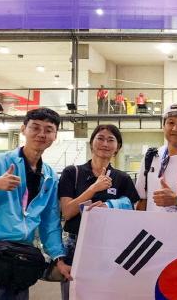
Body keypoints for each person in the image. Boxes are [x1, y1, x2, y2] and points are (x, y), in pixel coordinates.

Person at [0, 108, 71, 300]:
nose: (42, 134)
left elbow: (49, 222)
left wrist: (58, 257)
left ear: (55, 136)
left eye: (48, 129)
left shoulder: (49, 176)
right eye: (35, 127)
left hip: (20, 258)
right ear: (23, 129)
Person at [58, 124, 139, 299]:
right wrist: (93, 188)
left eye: (111, 140)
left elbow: (132, 213)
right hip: (75, 244)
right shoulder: (72, 172)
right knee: (73, 293)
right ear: (91, 143)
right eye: (100, 138)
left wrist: (110, 206)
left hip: (110, 246)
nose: (105, 143)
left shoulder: (122, 178)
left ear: (117, 148)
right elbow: (67, 212)